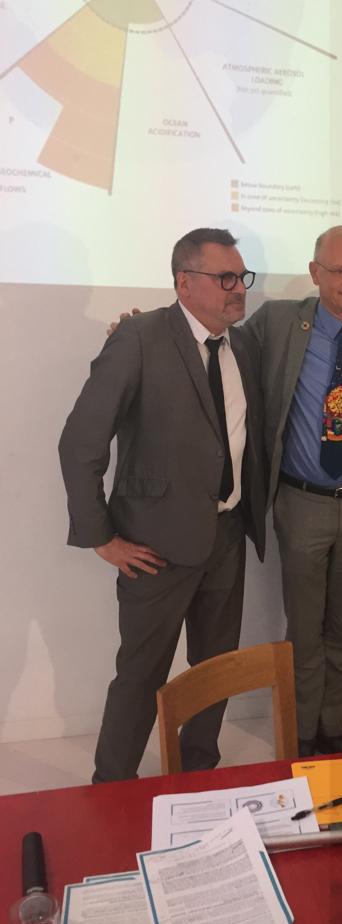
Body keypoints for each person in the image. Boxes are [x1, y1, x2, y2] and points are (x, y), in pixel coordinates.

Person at [59, 228, 266, 782]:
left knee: (214, 670)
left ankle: (198, 774)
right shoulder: (139, 337)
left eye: (242, 277)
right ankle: (112, 787)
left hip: (225, 536)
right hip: (154, 545)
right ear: (184, 282)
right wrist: (101, 537)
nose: (238, 289)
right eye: (225, 278)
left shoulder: (244, 346)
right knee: (141, 674)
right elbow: (80, 443)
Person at [240, 226, 342, 757]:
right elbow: (216, 346)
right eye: (340, 271)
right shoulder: (277, 322)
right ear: (315, 273)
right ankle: (303, 731)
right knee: (304, 630)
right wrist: (138, 329)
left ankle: (333, 728)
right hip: (301, 502)